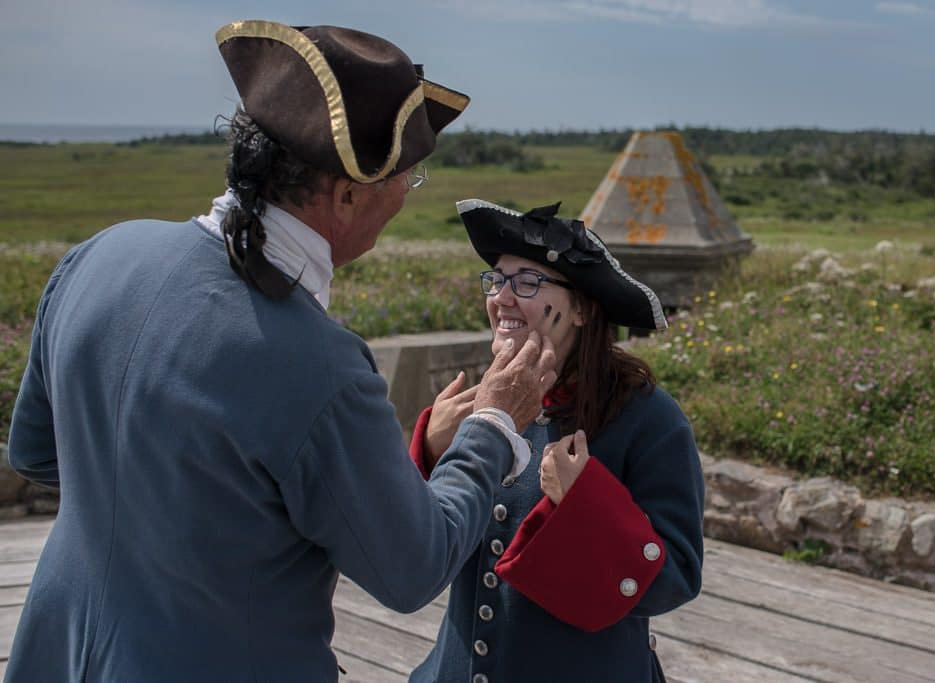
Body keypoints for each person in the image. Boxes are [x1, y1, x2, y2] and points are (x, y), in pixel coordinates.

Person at [4, 22, 556, 682]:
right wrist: (492, 425)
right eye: (405, 184)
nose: (403, 203)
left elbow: (35, 451)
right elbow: (411, 569)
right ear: (346, 193)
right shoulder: (320, 365)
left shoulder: (96, 256)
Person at [407, 200, 705, 682]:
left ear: (584, 309)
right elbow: (411, 543)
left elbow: (676, 579)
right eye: (497, 280)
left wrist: (584, 503)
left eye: (527, 283)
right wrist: (430, 453)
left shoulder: (651, 420)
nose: (502, 297)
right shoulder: (485, 405)